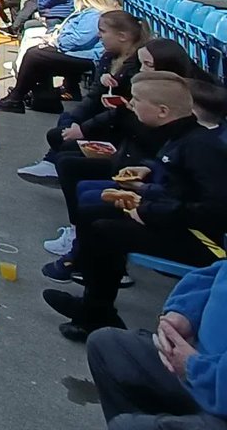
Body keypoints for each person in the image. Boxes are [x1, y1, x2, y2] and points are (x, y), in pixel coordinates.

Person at [42, 72, 227, 342]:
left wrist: (148, 211)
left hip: (203, 240)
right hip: (177, 219)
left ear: (163, 111)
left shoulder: (200, 146)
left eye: (138, 100)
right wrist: (148, 174)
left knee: (105, 230)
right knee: (90, 212)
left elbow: (215, 212)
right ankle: (94, 306)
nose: (130, 103)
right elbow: (181, 183)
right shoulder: (180, 135)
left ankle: (95, 315)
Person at [87, 259, 227, 430]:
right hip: (202, 371)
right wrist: (183, 312)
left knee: (127, 426)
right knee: (106, 345)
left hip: (217, 390)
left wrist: (193, 367)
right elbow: (216, 273)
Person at [18, 10, 148, 188]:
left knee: (60, 139)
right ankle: (51, 163)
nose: (98, 35)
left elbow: (122, 112)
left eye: (102, 31)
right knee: (67, 119)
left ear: (122, 36)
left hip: (119, 126)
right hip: (106, 117)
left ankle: (56, 166)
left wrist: (84, 129)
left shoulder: (136, 65)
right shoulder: (108, 57)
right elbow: (94, 96)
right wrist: (76, 120)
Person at [0, 0, 116, 114]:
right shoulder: (90, 12)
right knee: (38, 53)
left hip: (86, 57)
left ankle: (17, 98)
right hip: (78, 52)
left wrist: (58, 40)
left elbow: (78, 39)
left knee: (35, 55)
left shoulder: (94, 15)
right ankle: (43, 98)